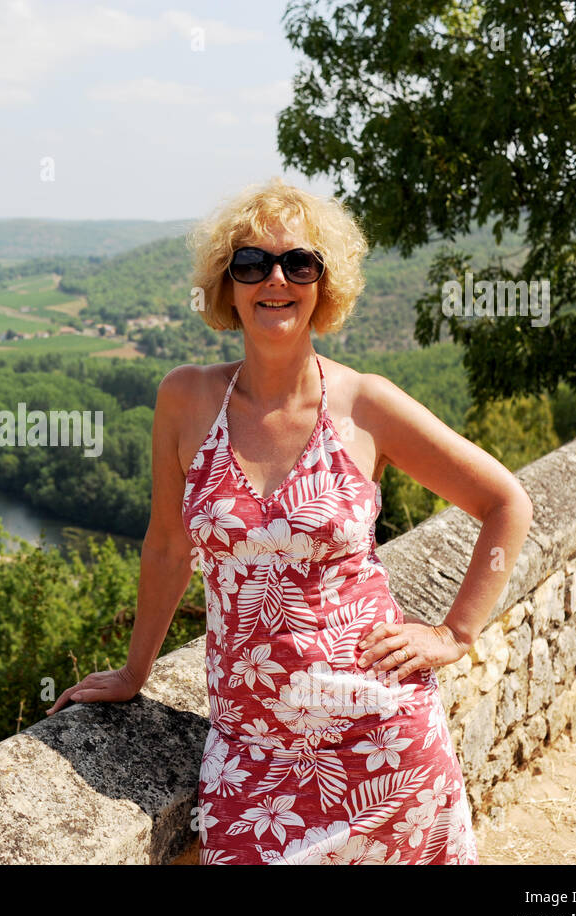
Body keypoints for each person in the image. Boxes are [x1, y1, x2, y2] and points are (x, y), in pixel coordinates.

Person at [47, 178, 533, 864]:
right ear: (227, 285)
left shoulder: (367, 405)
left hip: (383, 745)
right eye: (252, 264)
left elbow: (506, 503)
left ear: (323, 283)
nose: (275, 279)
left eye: (297, 263)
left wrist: (456, 632)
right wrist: (135, 670)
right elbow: (166, 548)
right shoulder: (185, 399)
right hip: (254, 756)